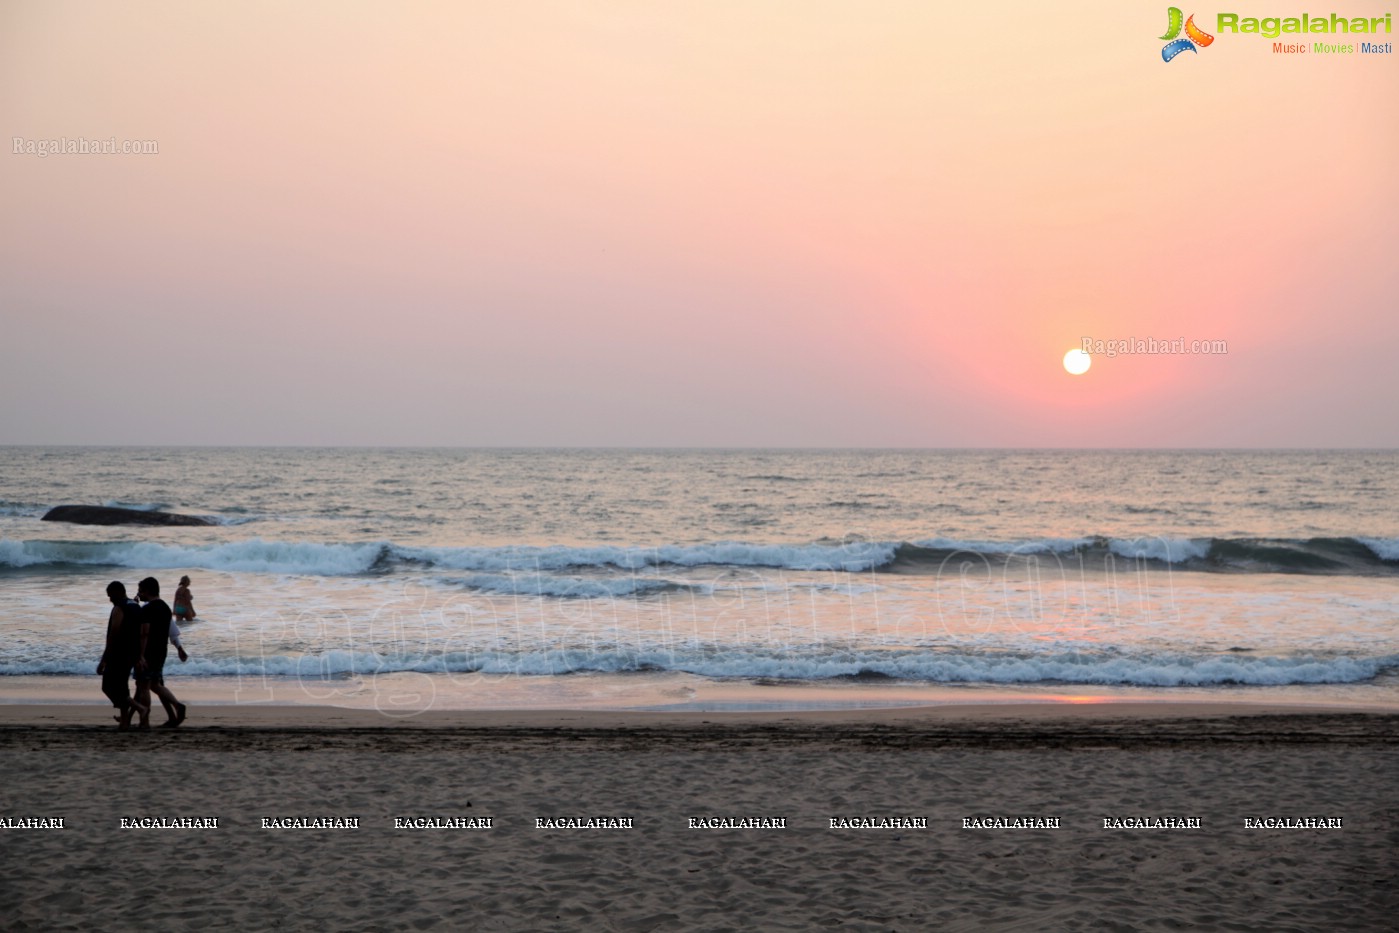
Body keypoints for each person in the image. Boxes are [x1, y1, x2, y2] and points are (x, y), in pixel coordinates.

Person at [135, 577, 188, 729]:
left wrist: (140, 655)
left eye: (141, 591)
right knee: (156, 684)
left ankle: (144, 722)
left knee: (144, 686)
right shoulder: (165, 608)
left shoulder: (146, 610)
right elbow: (173, 632)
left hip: (147, 653)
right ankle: (177, 707)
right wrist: (179, 648)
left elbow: (143, 634)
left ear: (147, 591)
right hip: (161, 652)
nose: (139, 594)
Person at [97, 581, 148, 731]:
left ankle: (140, 708)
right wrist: (139, 655)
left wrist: (104, 659)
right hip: (132, 653)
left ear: (118, 592)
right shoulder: (135, 606)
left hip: (118, 653)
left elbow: (113, 634)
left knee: (108, 686)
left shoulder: (119, 608)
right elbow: (142, 632)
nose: (110, 599)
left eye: (111, 596)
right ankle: (124, 722)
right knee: (122, 687)